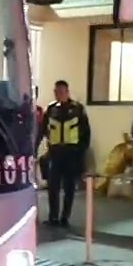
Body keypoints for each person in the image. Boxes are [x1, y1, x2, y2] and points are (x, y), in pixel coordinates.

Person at [38, 79, 90, 227]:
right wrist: (34, 147)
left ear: (67, 92)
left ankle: (65, 217)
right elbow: (43, 130)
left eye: (60, 91)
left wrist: (81, 153)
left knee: (69, 187)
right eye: (56, 92)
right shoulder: (51, 109)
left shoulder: (78, 109)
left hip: (72, 154)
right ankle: (53, 217)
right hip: (55, 153)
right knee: (53, 186)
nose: (58, 94)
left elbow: (86, 133)